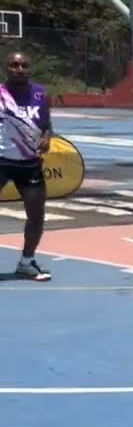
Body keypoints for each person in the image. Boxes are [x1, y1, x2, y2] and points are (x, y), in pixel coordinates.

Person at [0, 51, 53, 281]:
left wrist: (47, 137)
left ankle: (26, 262)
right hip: (1, 161)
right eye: (14, 65)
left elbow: (47, 124)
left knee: (37, 215)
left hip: (29, 164)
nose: (19, 69)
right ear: (7, 68)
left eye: (23, 65)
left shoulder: (40, 94)